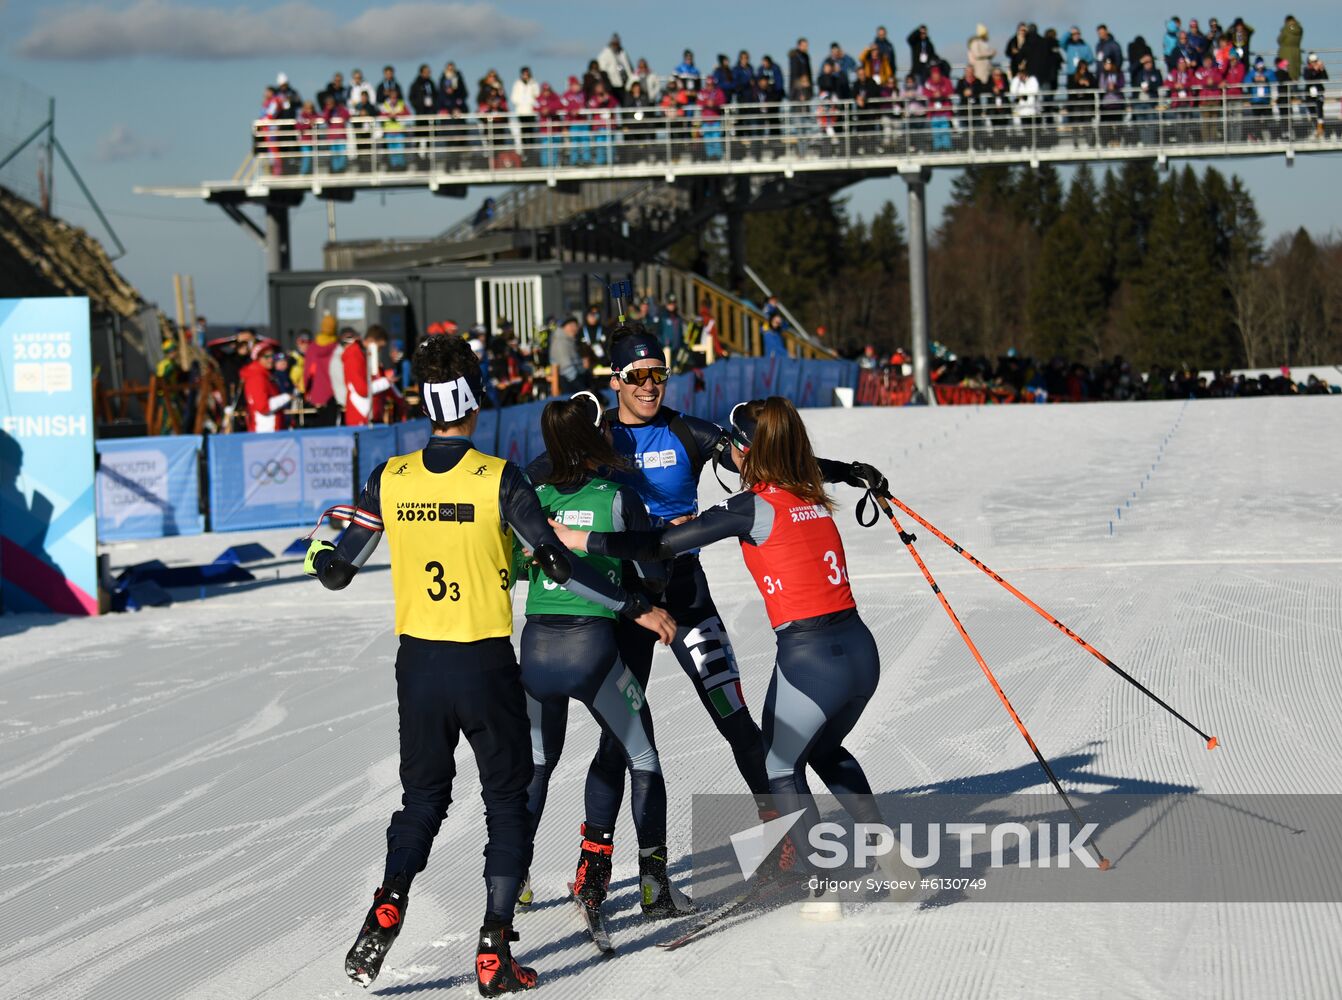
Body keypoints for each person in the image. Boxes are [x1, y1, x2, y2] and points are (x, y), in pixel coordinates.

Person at [307, 335, 673, 992]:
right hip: (484, 662)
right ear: (475, 401)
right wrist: (632, 605)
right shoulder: (501, 479)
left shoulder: (387, 477)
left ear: (424, 402)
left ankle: (388, 904)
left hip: (417, 665)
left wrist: (314, 549)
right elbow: (558, 563)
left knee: (421, 799)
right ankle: (492, 948)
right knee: (505, 801)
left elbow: (337, 570)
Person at [531, 326, 887, 856]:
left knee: (737, 721)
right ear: (616, 380)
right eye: (638, 376)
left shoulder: (690, 432)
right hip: (628, 606)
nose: (650, 386)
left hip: (685, 596)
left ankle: (785, 842)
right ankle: (593, 862)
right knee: (618, 741)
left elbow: (769, 465)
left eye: (659, 375)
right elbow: (531, 480)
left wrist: (845, 472)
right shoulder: (600, 437)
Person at [518, 392, 690, 922]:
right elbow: (652, 568)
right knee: (642, 757)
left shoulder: (529, 498)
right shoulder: (615, 496)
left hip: (535, 649)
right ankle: (654, 887)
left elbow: (513, 565)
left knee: (537, 765)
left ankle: (515, 877)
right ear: (597, 437)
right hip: (594, 648)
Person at [342, 325, 392, 426]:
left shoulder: (367, 356)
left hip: (372, 415)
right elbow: (362, 390)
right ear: (371, 341)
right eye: (380, 347)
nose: (379, 351)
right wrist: (385, 382)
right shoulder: (354, 356)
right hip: (360, 417)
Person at [241, 342, 291, 432]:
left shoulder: (265, 375)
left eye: (272, 356)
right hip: (265, 433)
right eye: (266, 357)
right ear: (258, 358)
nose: (271, 359)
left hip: (270, 432)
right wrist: (287, 397)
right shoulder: (256, 377)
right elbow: (263, 407)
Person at [548, 315, 589, 395]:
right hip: (568, 383)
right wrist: (583, 388)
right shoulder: (560, 342)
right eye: (570, 326)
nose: (574, 328)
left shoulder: (571, 340)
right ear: (564, 327)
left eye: (575, 325)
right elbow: (567, 368)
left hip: (576, 378)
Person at [597, 33, 635, 103]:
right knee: (615, 102)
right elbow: (602, 68)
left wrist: (631, 77)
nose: (615, 45)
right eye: (614, 43)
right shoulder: (605, 53)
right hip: (613, 83)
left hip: (625, 83)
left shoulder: (622, 52)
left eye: (617, 43)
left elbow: (629, 66)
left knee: (626, 101)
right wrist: (607, 83)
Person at [1276, 15, 1303, 81]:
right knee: (1295, 72)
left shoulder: (1285, 29)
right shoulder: (1299, 29)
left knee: (1285, 72)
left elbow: (1279, 40)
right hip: (1296, 53)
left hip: (1285, 53)